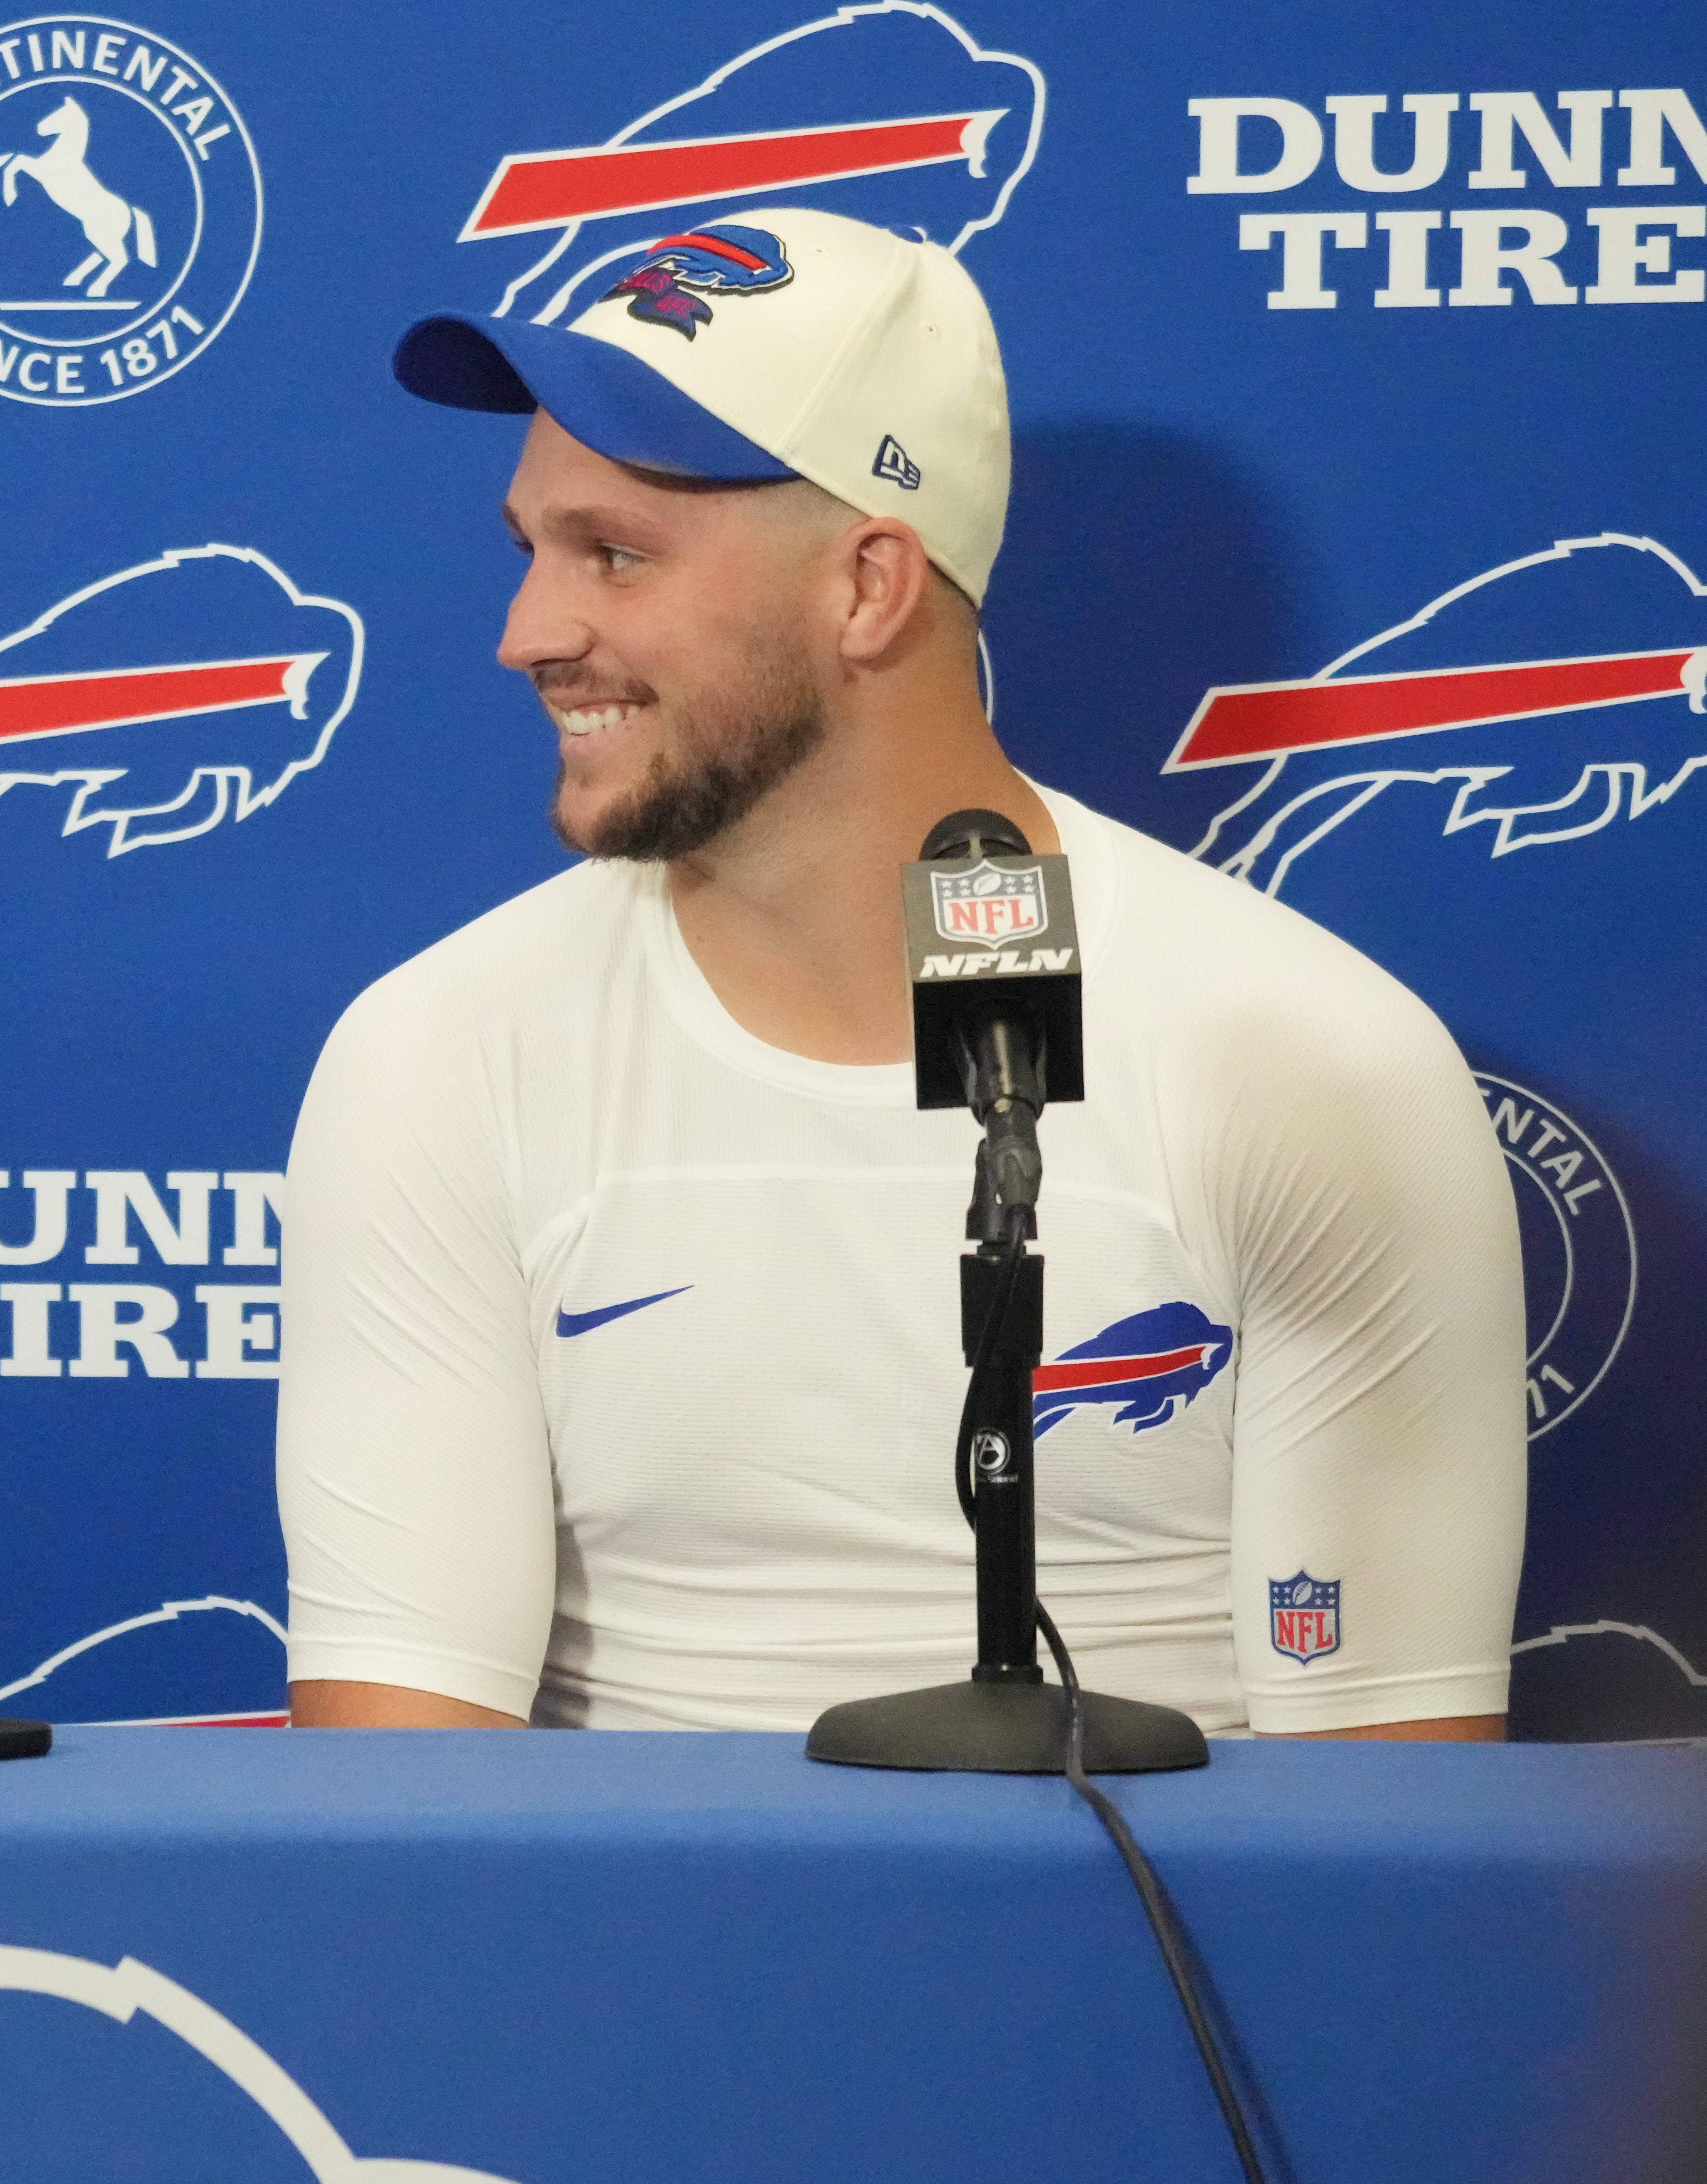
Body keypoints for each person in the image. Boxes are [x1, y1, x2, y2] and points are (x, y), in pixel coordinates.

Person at [279, 208, 1522, 1740]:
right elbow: (403, 1810)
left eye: (613, 553)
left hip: (1161, 1977)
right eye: (529, 550)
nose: (526, 632)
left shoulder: (1306, 1060)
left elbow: (1383, 1847)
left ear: (869, 586)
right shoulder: (438, 1055)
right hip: (612, 1976)